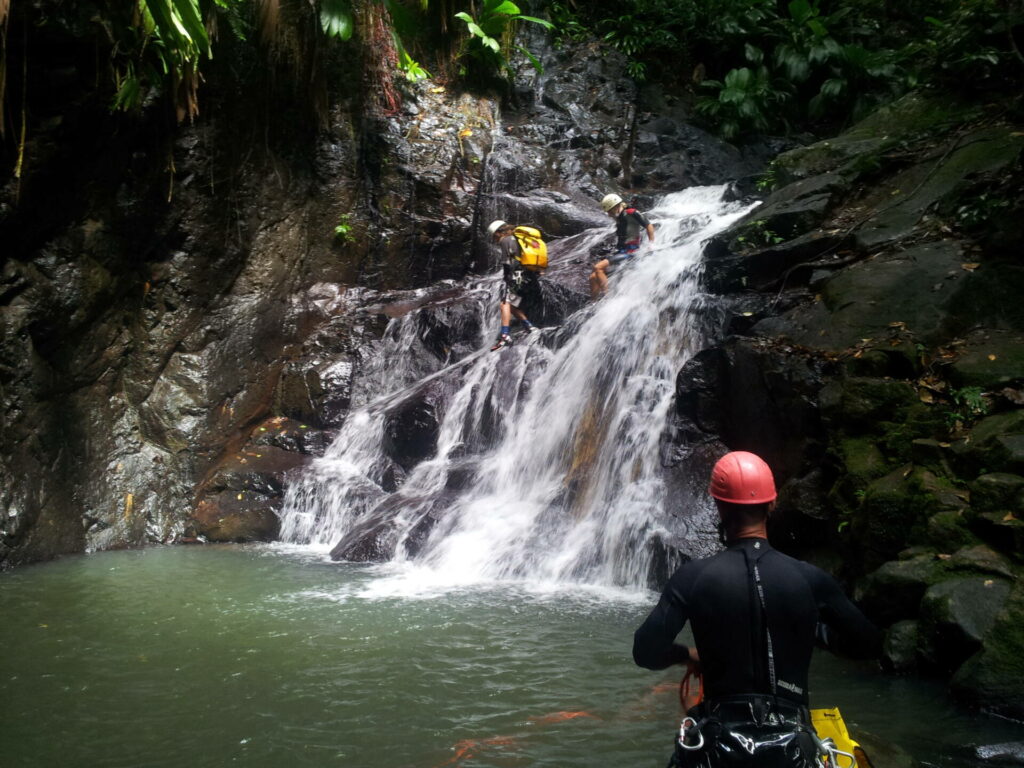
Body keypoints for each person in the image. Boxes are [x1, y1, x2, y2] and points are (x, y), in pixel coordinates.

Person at [633, 451, 881, 768]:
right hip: (792, 748)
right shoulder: (809, 578)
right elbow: (869, 642)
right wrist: (812, 633)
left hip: (719, 746)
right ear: (772, 504)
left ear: (719, 507)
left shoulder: (693, 577)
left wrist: (687, 655)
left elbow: (646, 650)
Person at [487, 219, 542, 351]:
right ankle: (530, 327)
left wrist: (508, 278)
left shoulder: (506, 241)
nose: (494, 239)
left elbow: (510, 262)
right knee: (511, 304)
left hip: (518, 276)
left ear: (498, 233)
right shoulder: (519, 239)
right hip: (528, 275)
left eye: (494, 236)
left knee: (505, 303)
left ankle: (505, 336)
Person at [589, 193, 655, 299]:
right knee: (593, 277)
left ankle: (607, 298)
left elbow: (648, 225)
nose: (609, 214)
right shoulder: (619, 218)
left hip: (631, 253)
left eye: (609, 211)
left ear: (616, 207)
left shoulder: (632, 213)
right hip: (621, 252)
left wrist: (651, 244)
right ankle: (593, 303)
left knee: (598, 267)